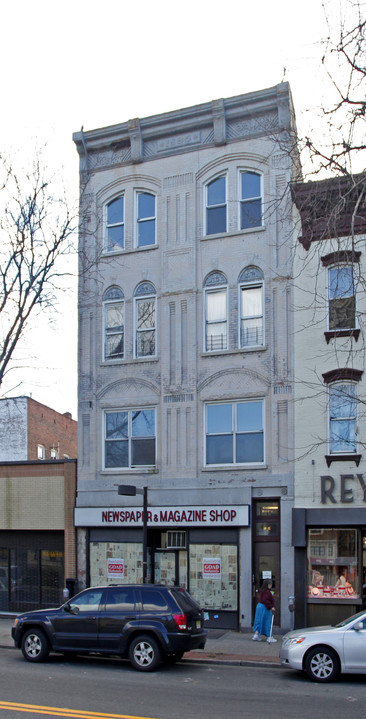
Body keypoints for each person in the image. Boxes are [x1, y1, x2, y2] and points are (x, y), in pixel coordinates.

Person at [252, 579, 277, 643]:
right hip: (265, 608)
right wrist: (271, 606)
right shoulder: (267, 592)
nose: (271, 586)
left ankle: (256, 635)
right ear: (268, 585)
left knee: (259, 621)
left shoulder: (262, 591)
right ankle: (269, 637)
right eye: (271, 584)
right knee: (267, 622)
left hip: (260, 607)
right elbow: (266, 601)